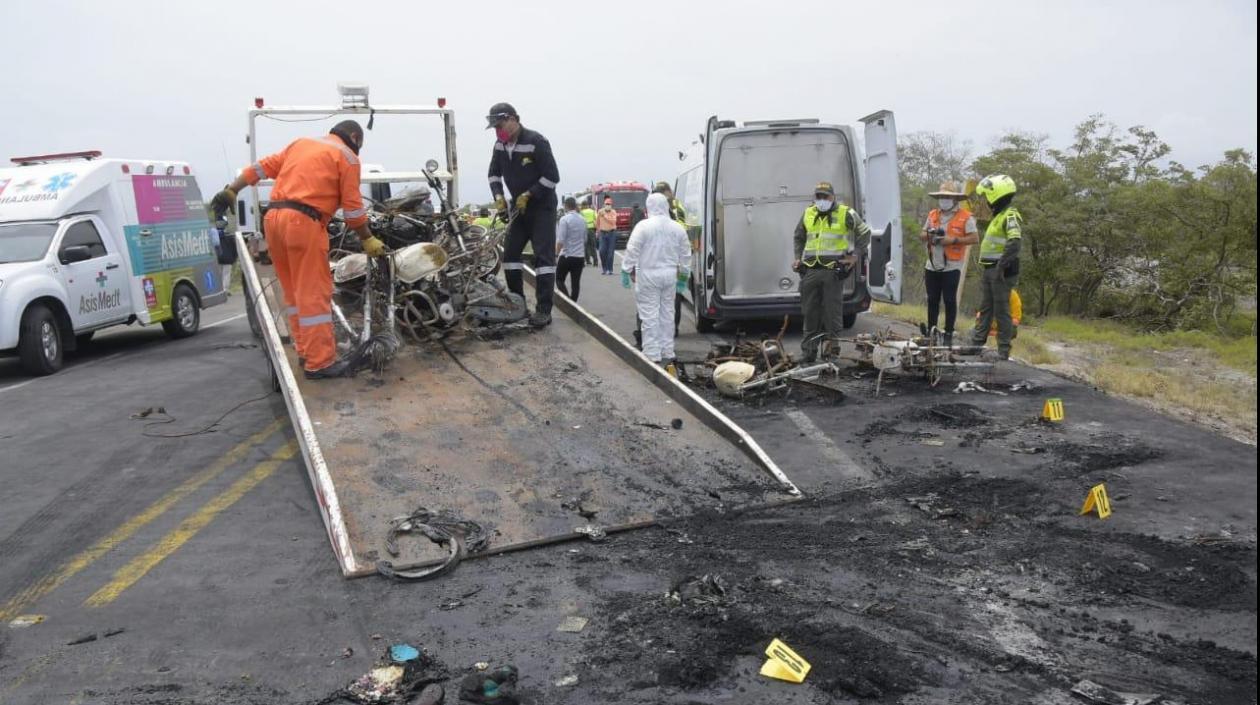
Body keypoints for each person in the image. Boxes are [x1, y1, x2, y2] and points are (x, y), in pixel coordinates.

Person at [211, 120, 385, 380]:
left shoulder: (301, 144)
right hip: (304, 223)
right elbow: (353, 210)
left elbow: (261, 167)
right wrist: (367, 239)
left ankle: (305, 351)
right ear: (353, 136)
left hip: (274, 219)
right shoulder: (348, 157)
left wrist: (232, 190)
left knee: (293, 292)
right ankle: (320, 363)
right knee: (314, 293)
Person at [486, 102, 561, 327]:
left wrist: (529, 194)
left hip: (541, 209)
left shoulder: (536, 142)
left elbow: (552, 177)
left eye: (500, 125)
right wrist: (499, 197)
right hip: (518, 209)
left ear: (513, 119)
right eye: (495, 127)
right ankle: (518, 305)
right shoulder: (500, 145)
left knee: (543, 259)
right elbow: (493, 175)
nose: (498, 130)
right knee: (510, 256)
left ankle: (544, 310)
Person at [792, 181, 872, 361]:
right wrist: (798, 257)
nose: (821, 200)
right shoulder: (808, 212)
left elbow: (865, 234)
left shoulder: (846, 213)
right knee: (810, 313)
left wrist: (855, 256)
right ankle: (808, 353)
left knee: (832, 314)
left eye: (825, 196)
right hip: (810, 271)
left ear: (832, 197)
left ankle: (830, 353)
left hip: (832, 272)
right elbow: (798, 236)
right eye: (818, 196)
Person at [621, 193, 690, 365]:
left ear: (648, 207)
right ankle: (667, 349)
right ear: (666, 206)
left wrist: (625, 270)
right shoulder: (677, 228)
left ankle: (652, 353)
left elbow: (632, 250)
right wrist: (682, 279)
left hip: (649, 275)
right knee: (668, 314)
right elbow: (686, 256)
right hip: (670, 276)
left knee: (649, 314)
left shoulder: (643, 227)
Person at [970, 174, 1023, 359]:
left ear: (996, 195)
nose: (986, 200)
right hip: (990, 269)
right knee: (986, 308)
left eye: (987, 196)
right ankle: (976, 344)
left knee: (1002, 310)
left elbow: (1015, 242)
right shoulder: (999, 216)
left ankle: (1003, 351)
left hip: (1001, 271)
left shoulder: (1010, 215)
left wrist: (1001, 267)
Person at [919, 181, 978, 347]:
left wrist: (953, 240)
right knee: (932, 299)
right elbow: (922, 234)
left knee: (950, 300)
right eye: (942, 196)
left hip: (952, 265)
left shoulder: (966, 217)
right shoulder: (933, 214)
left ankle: (948, 333)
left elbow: (974, 238)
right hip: (932, 264)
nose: (944, 199)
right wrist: (929, 235)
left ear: (954, 199)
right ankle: (931, 331)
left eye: (947, 197)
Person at [554, 196, 587, 301]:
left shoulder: (564, 219)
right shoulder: (583, 219)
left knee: (559, 279)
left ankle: (567, 301)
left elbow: (560, 240)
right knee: (575, 284)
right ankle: (573, 304)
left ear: (566, 206)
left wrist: (556, 254)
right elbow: (585, 239)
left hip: (567, 256)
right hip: (579, 257)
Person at [596, 196, 618, 274]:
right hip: (602, 233)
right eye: (606, 204)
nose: (607, 205)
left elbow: (613, 222)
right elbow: (597, 222)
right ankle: (604, 268)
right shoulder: (600, 211)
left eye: (609, 204)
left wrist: (605, 216)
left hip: (612, 233)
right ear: (604, 204)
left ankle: (610, 269)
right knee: (602, 251)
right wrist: (597, 232)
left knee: (610, 253)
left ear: (611, 205)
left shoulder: (614, 212)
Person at [580, 199, 598, 266]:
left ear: (583, 205)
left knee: (585, 246)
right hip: (591, 229)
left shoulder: (581, 212)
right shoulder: (592, 211)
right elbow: (596, 218)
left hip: (584, 230)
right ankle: (595, 261)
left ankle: (586, 261)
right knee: (593, 246)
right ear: (587, 205)